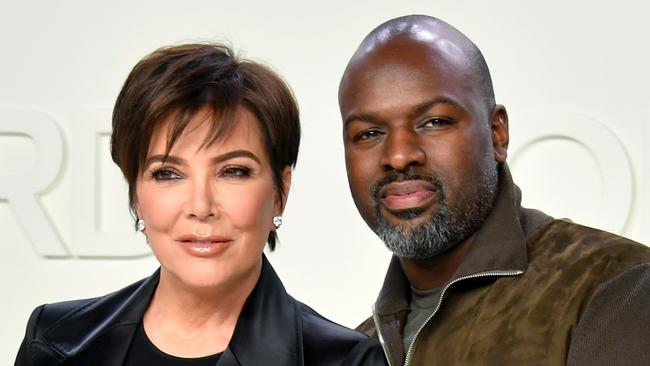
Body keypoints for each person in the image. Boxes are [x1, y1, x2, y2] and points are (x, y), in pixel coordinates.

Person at [16, 43, 387, 366]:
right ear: (136, 195)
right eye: (168, 173)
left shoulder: (345, 360)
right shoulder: (55, 342)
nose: (201, 205)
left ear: (280, 191)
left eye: (234, 171)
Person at [338, 15, 650, 366]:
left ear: (497, 133)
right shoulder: (356, 350)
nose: (398, 155)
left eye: (435, 122)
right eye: (369, 133)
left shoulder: (616, 286)